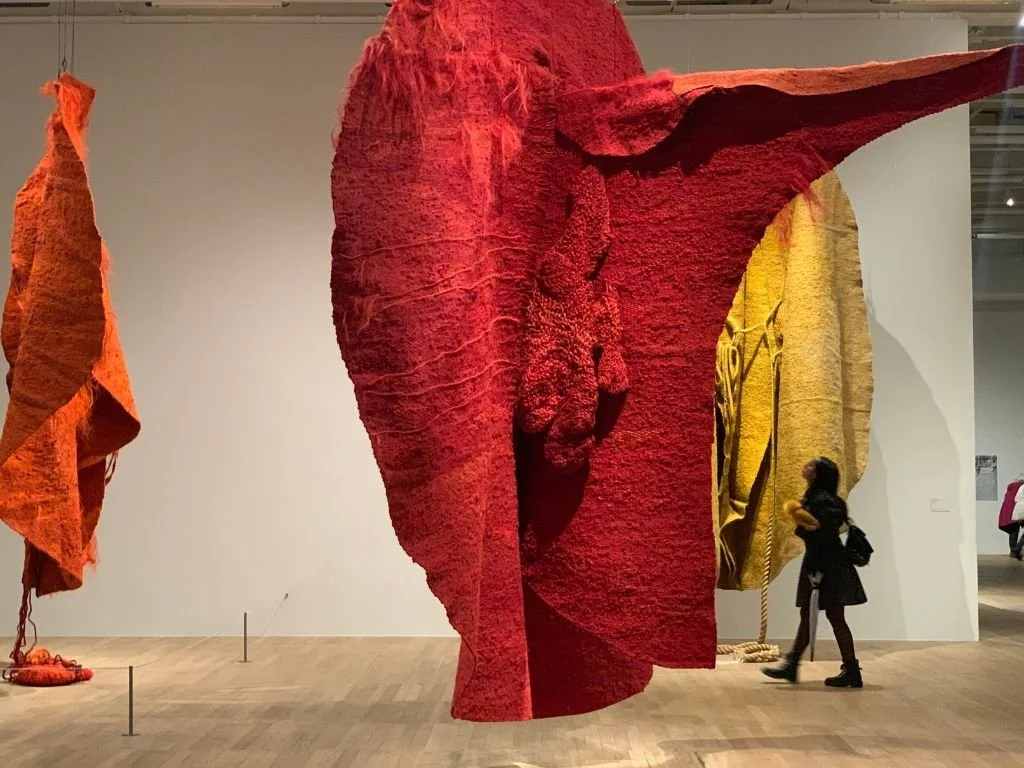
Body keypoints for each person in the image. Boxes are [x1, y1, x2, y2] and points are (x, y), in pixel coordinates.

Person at [762, 457, 867, 688]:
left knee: (831, 617)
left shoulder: (822, 502)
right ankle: (797, 665)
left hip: (824, 565)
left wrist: (816, 569)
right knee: (820, 616)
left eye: (811, 466)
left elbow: (822, 536)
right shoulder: (826, 500)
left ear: (818, 474)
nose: (805, 467)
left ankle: (848, 670)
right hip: (827, 563)